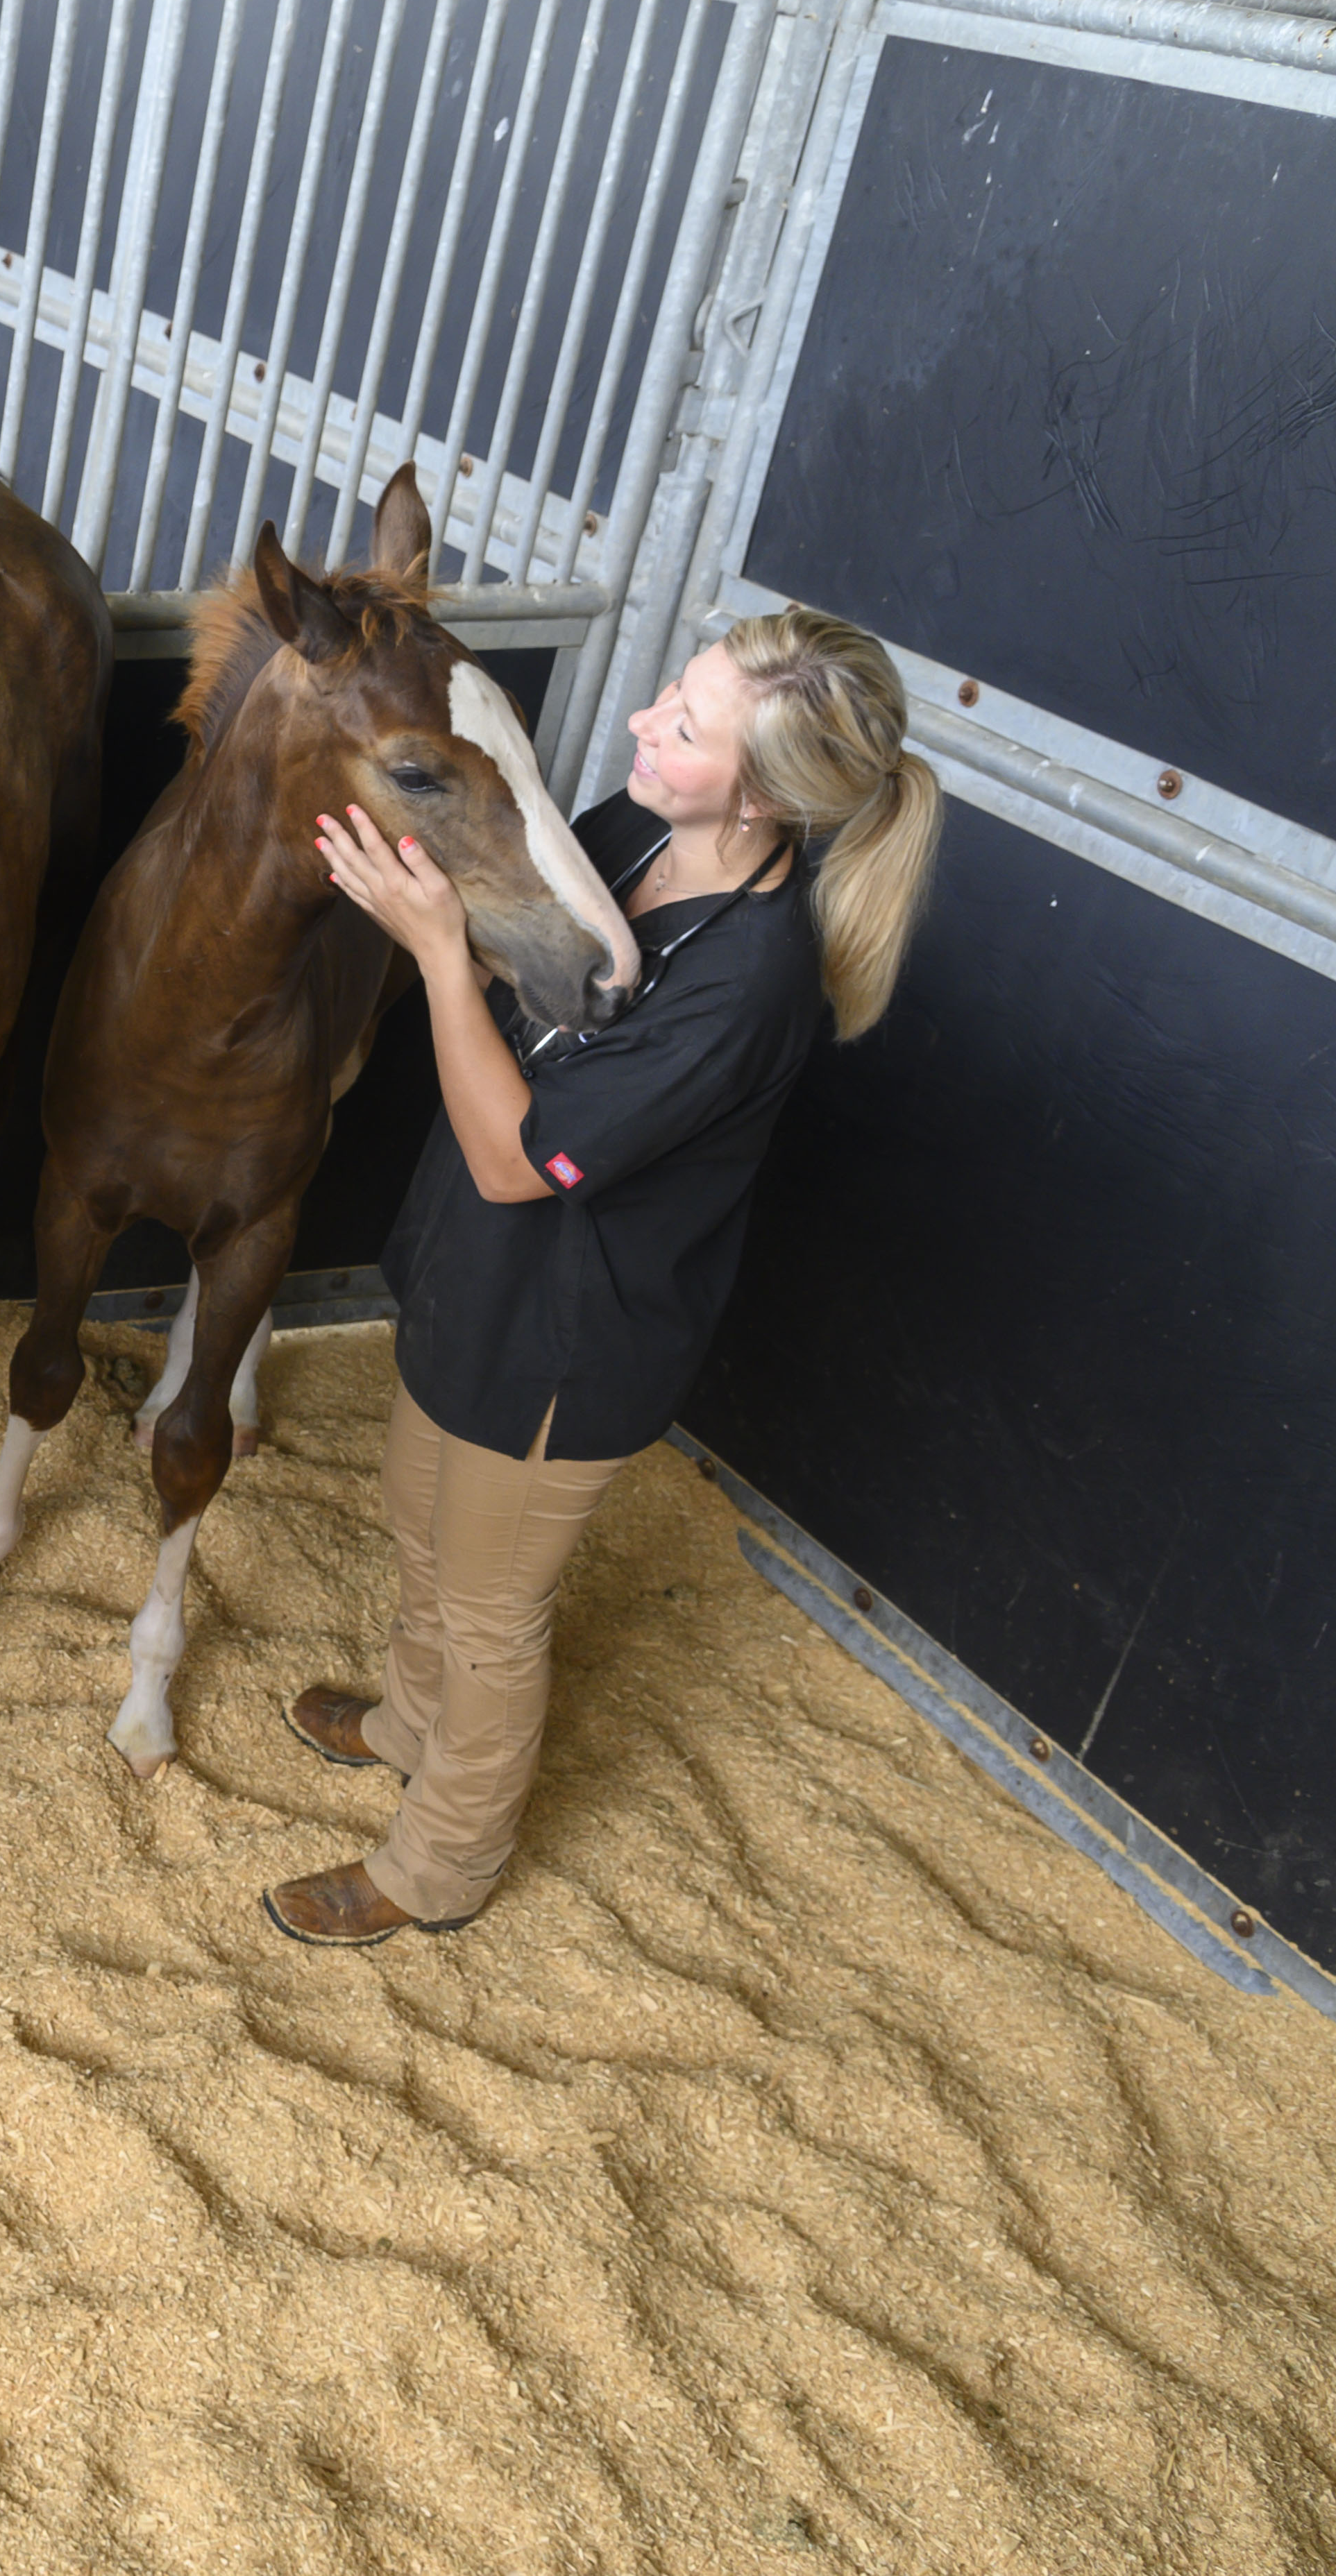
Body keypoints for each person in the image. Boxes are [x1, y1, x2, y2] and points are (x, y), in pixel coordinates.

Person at [268, 606, 943, 1945]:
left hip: (566, 1344)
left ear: (756, 796)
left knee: (487, 1612)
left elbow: (520, 1160)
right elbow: (535, 953)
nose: (642, 723)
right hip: (476, 1280)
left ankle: (439, 1867)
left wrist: (434, 954)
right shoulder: (629, 837)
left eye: (681, 727)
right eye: (667, 695)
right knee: (415, 1515)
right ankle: (405, 1725)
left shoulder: (750, 980)